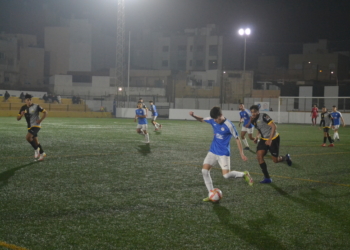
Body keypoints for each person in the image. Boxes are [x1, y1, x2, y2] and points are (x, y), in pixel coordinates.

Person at [189, 106, 253, 202]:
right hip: (213, 151)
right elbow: (202, 119)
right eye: (214, 119)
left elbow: (237, 139)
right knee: (204, 171)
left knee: (226, 176)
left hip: (223, 153)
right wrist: (193, 116)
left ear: (221, 115)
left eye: (217, 119)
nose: (215, 121)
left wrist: (241, 154)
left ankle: (244, 174)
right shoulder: (213, 120)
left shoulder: (229, 125)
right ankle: (211, 193)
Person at [249, 105, 292, 184]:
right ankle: (267, 178)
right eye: (252, 112)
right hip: (263, 139)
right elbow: (259, 129)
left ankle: (286, 158)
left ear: (258, 111)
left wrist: (270, 139)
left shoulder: (264, 116)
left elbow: (274, 126)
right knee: (259, 156)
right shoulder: (253, 120)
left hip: (274, 139)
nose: (253, 114)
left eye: (255, 112)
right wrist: (256, 137)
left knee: (275, 160)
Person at [17, 94, 47, 161]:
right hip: (30, 127)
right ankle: (42, 154)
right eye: (28, 100)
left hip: (36, 125)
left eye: (30, 100)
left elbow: (45, 112)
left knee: (28, 137)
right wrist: (21, 115)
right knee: (36, 142)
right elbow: (18, 118)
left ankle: (36, 150)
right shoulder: (23, 108)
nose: (29, 101)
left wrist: (40, 120)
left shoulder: (36, 106)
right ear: (25, 100)